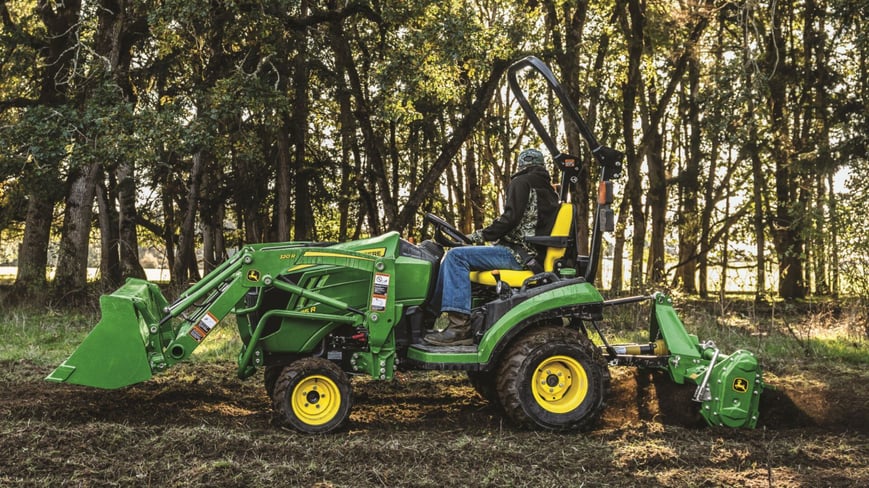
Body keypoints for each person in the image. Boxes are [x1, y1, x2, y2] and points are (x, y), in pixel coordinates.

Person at [424, 148, 560, 346]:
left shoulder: (521, 182)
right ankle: (431, 318)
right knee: (454, 257)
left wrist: (477, 236)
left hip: (517, 254)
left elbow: (509, 220)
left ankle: (456, 326)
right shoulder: (549, 191)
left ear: (521, 165)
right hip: (532, 254)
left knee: (455, 257)